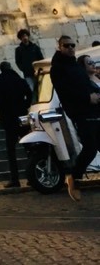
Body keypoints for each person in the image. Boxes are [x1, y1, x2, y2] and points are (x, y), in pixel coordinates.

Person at [50, 35, 100, 201]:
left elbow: (85, 83)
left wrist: (95, 95)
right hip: (80, 112)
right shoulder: (57, 68)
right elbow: (65, 91)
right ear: (60, 47)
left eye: (73, 45)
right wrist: (87, 98)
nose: (71, 48)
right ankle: (73, 178)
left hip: (93, 110)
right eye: (67, 45)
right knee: (90, 147)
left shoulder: (76, 65)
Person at [0, 61, 31, 188]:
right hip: (21, 116)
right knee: (29, 148)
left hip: (9, 119)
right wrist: (25, 105)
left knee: (11, 150)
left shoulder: (0, 81)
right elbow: (29, 93)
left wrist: (3, 112)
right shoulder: (18, 79)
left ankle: (15, 179)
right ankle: (32, 176)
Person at [14, 29, 44, 93]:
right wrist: (24, 69)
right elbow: (18, 62)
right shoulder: (18, 50)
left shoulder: (35, 47)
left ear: (28, 36)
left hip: (37, 72)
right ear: (20, 39)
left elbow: (41, 58)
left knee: (41, 89)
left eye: (25, 36)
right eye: (22, 37)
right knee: (31, 90)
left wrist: (40, 68)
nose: (24, 38)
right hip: (28, 74)